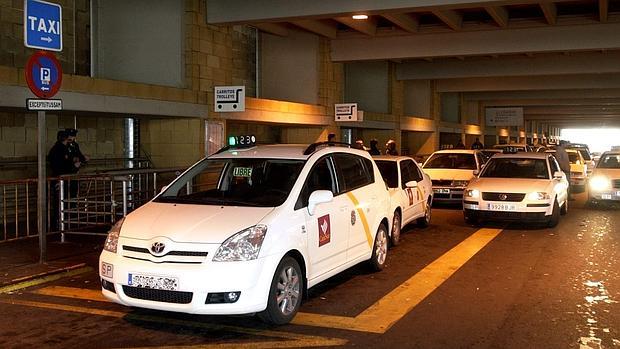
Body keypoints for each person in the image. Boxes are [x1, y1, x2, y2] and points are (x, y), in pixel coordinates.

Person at [48, 130, 73, 231]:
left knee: (59, 200)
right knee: (61, 200)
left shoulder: (55, 149)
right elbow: (63, 164)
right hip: (61, 177)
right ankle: (60, 221)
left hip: (59, 177)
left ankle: (59, 221)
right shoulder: (61, 149)